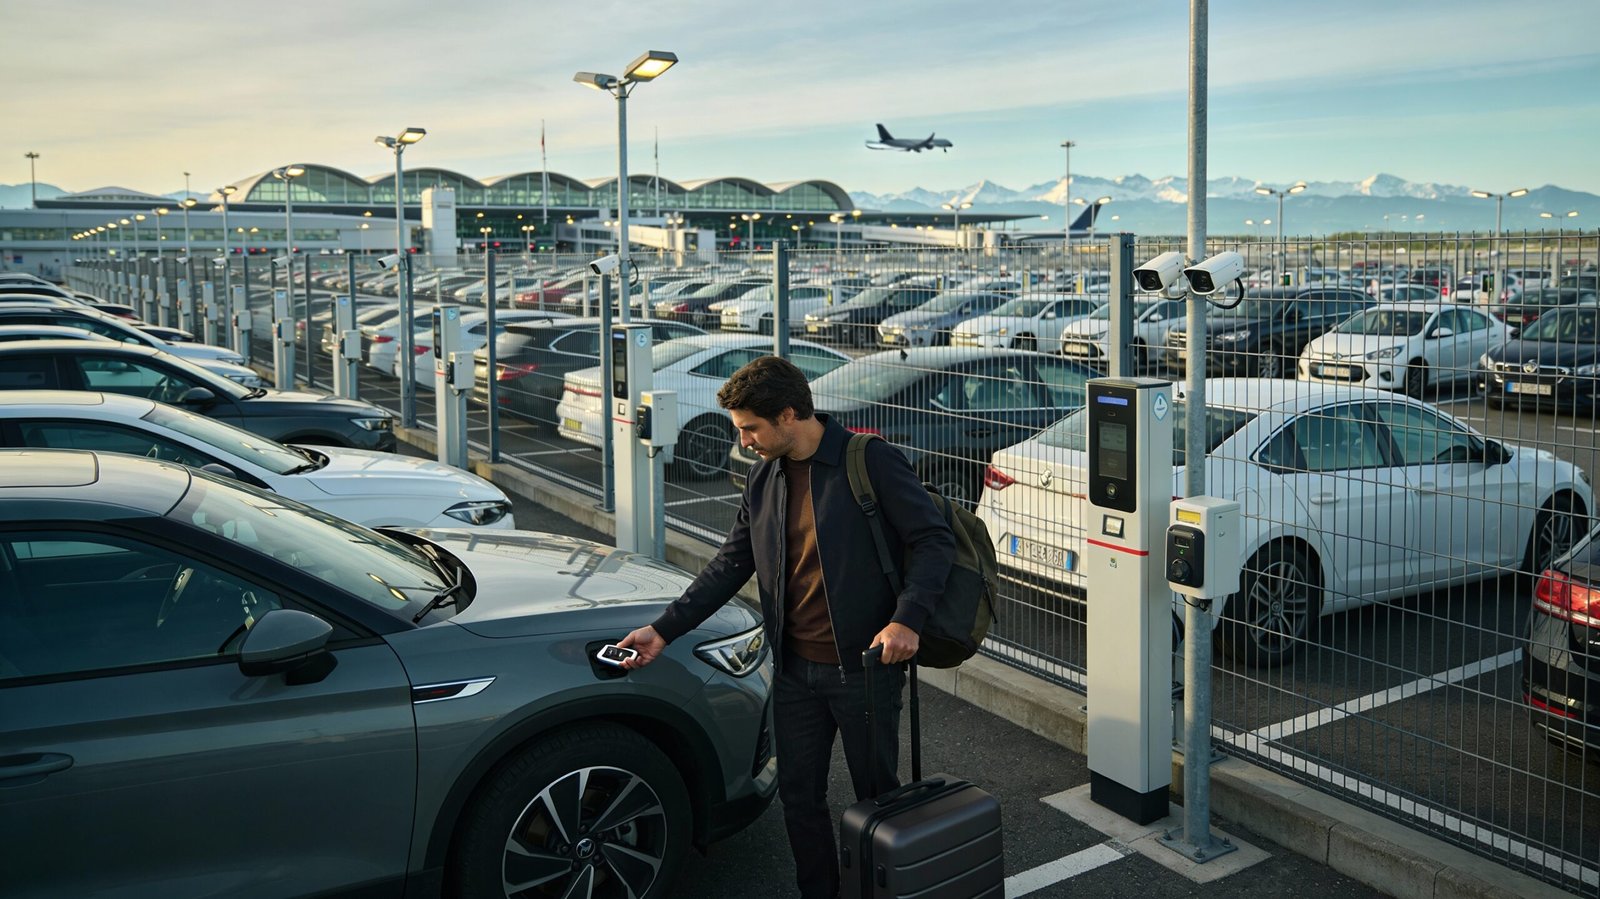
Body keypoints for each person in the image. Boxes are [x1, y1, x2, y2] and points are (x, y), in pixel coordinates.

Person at [617, 355, 955, 899]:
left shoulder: (867, 461)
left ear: (790, 413)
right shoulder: (762, 477)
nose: (745, 440)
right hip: (794, 671)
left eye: (751, 428)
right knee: (799, 797)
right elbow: (730, 563)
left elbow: (933, 540)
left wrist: (905, 620)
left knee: (875, 800)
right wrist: (664, 629)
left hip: (864, 670)